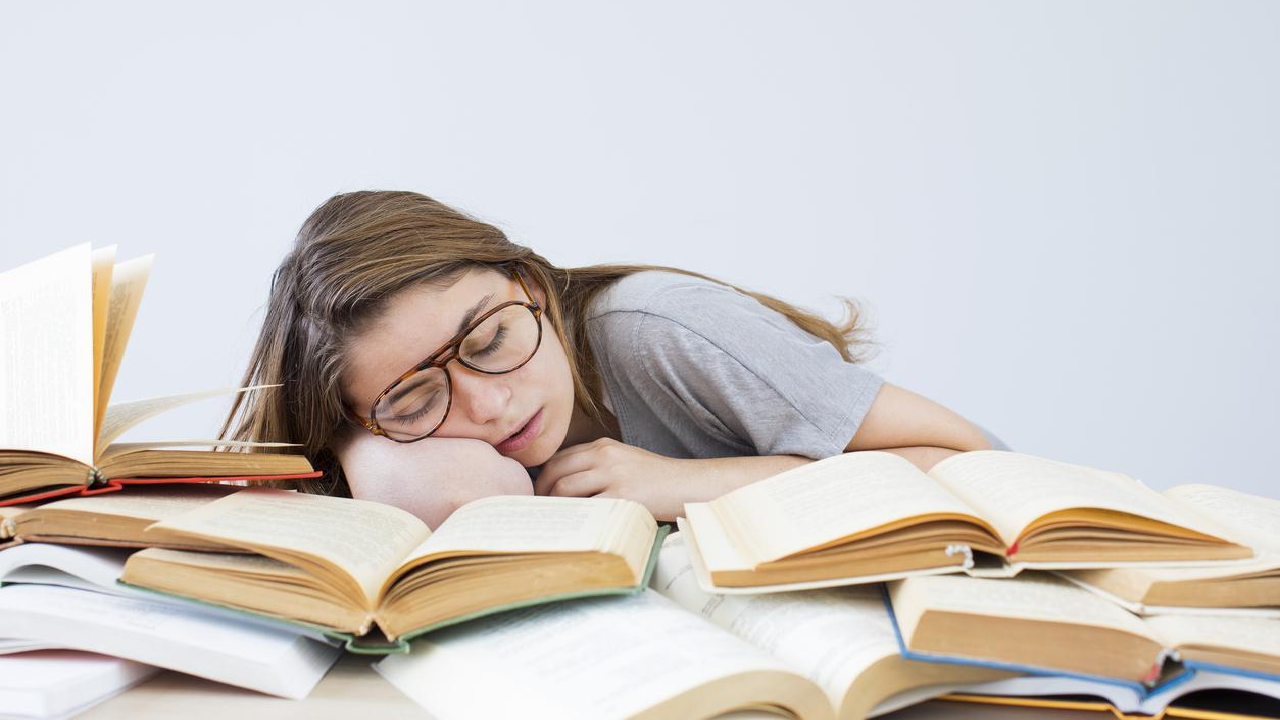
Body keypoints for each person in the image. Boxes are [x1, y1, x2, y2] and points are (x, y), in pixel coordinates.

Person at [223, 190, 1006, 528]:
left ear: (527, 283)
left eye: (491, 340)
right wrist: (361, 437)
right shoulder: (385, 439)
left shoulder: (659, 329)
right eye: (416, 398)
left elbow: (980, 460)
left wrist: (688, 484)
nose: (489, 408)